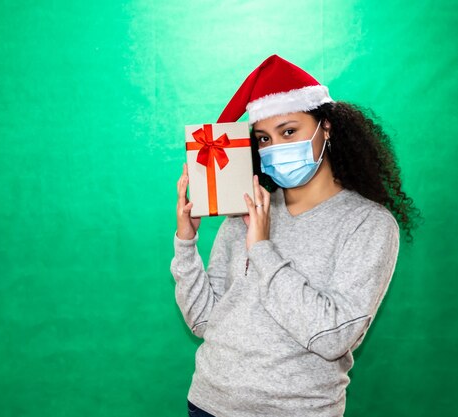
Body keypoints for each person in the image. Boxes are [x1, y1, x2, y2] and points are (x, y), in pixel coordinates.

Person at [170, 55, 418, 417]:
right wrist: (186, 244)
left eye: (289, 131)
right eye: (264, 139)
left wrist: (262, 249)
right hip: (209, 404)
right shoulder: (246, 212)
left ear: (326, 128)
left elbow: (332, 337)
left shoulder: (368, 224)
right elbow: (204, 320)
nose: (276, 148)